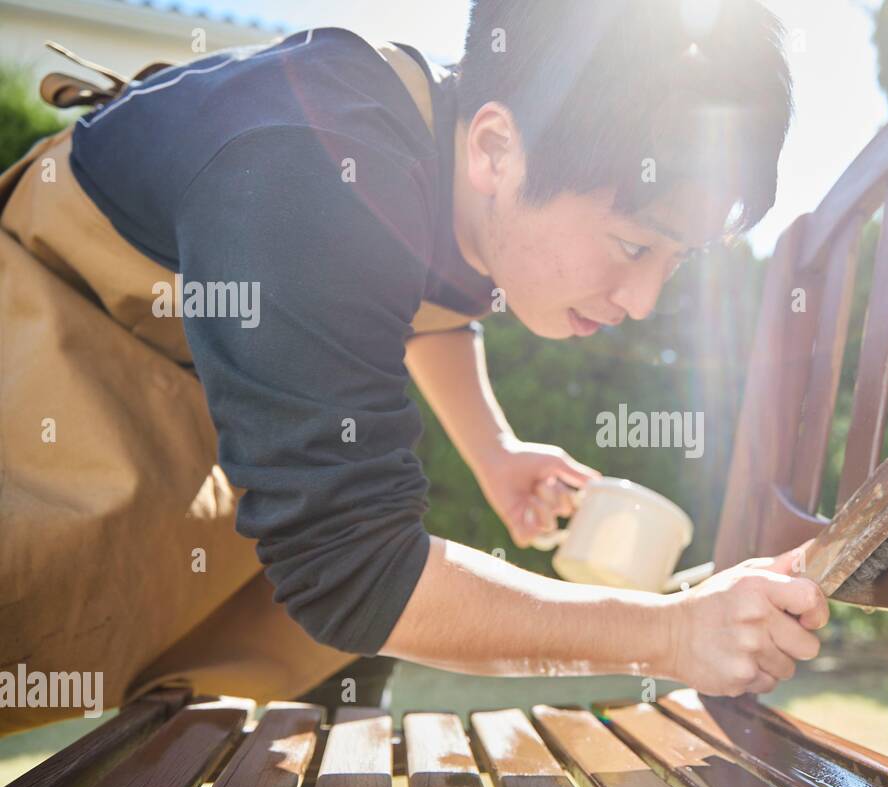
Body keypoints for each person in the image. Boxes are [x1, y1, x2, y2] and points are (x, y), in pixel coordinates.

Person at [0, 0, 826, 734]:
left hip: (204, 438)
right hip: (53, 377)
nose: (644, 299)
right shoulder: (311, 162)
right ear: (498, 150)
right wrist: (671, 633)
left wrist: (494, 452)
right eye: (634, 243)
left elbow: (436, 307)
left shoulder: (466, 170)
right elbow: (354, 572)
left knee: (330, 666)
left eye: (677, 258)